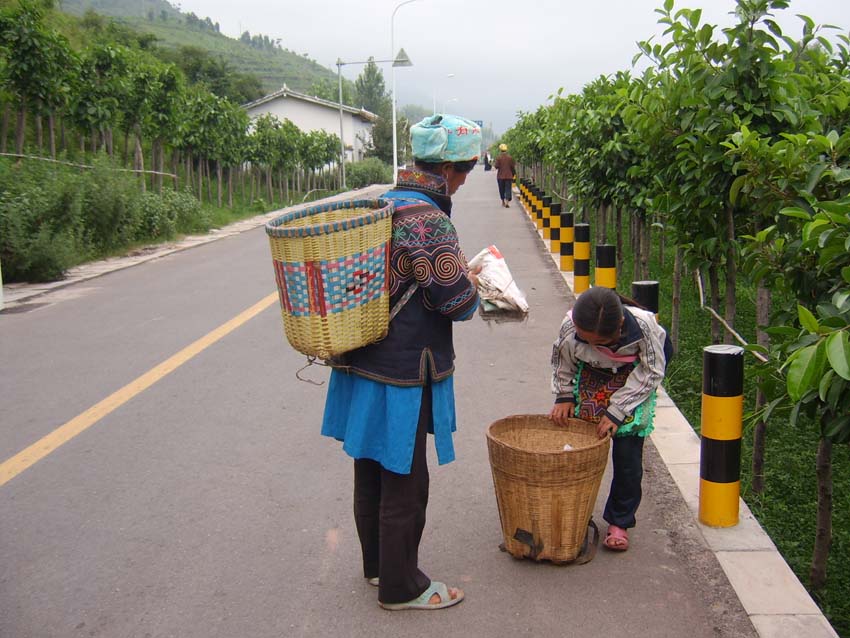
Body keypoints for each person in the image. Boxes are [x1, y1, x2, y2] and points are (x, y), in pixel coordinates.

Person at [322, 114, 482, 611]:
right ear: (453, 166)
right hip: (403, 370)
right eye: (467, 169)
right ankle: (402, 585)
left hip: (359, 359)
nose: (465, 178)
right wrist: (477, 285)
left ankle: (377, 567)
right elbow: (456, 302)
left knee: (370, 468)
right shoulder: (428, 219)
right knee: (405, 478)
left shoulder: (381, 204)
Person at [549, 287, 672, 552]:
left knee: (627, 453)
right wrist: (564, 395)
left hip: (637, 374)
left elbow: (652, 372)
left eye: (599, 342)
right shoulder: (571, 327)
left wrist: (618, 411)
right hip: (593, 370)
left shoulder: (643, 327)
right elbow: (563, 360)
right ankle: (574, 513)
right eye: (586, 339)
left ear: (618, 328)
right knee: (580, 446)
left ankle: (620, 521)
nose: (591, 344)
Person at [493, 143, 516, 208]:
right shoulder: (510, 158)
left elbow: (496, 166)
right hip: (509, 176)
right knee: (508, 189)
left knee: (501, 189)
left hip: (500, 176)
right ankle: (507, 202)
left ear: (500, 150)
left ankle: (503, 201)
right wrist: (514, 174)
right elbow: (512, 167)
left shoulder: (498, 158)